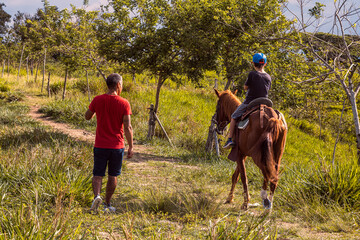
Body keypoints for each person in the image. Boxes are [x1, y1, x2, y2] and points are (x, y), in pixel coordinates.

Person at [85, 73, 134, 213]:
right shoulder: (124, 103)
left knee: (98, 174)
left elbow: (87, 116)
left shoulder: (97, 100)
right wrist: (131, 146)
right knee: (113, 175)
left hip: (100, 144)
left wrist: (95, 111)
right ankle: (107, 204)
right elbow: (128, 127)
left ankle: (96, 197)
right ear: (118, 85)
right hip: (117, 146)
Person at [223, 53, 272, 149]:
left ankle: (229, 140)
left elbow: (245, 87)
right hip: (264, 102)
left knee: (233, 116)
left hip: (250, 102)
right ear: (265, 64)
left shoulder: (252, 74)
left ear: (253, 64)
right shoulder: (268, 77)